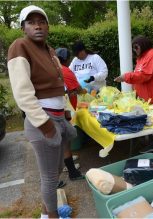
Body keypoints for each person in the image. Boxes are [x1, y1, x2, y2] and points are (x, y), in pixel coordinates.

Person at [7, 5, 77, 218]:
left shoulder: (50, 50)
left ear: (48, 26)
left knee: (56, 171)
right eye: (31, 22)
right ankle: (51, 216)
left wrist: (65, 111)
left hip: (56, 117)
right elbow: (22, 93)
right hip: (42, 120)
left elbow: (58, 86)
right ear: (23, 28)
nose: (37, 26)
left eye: (42, 21)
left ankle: (47, 212)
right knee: (48, 176)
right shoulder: (20, 46)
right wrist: (46, 126)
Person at [114, 35, 153, 157]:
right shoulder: (141, 58)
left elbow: (145, 75)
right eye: (133, 47)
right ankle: (152, 144)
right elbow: (139, 77)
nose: (135, 50)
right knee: (149, 124)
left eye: (136, 47)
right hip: (148, 100)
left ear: (143, 44)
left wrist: (126, 77)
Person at [55, 47, 85, 181]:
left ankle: (67, 161)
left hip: (56, 109)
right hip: (62, 109)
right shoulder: (66, 71)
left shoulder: (53, 69)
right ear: (66, 59)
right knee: (65, 139)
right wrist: (85, 92)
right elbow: (78, 89)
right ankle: (72, 171)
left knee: (62, 139)